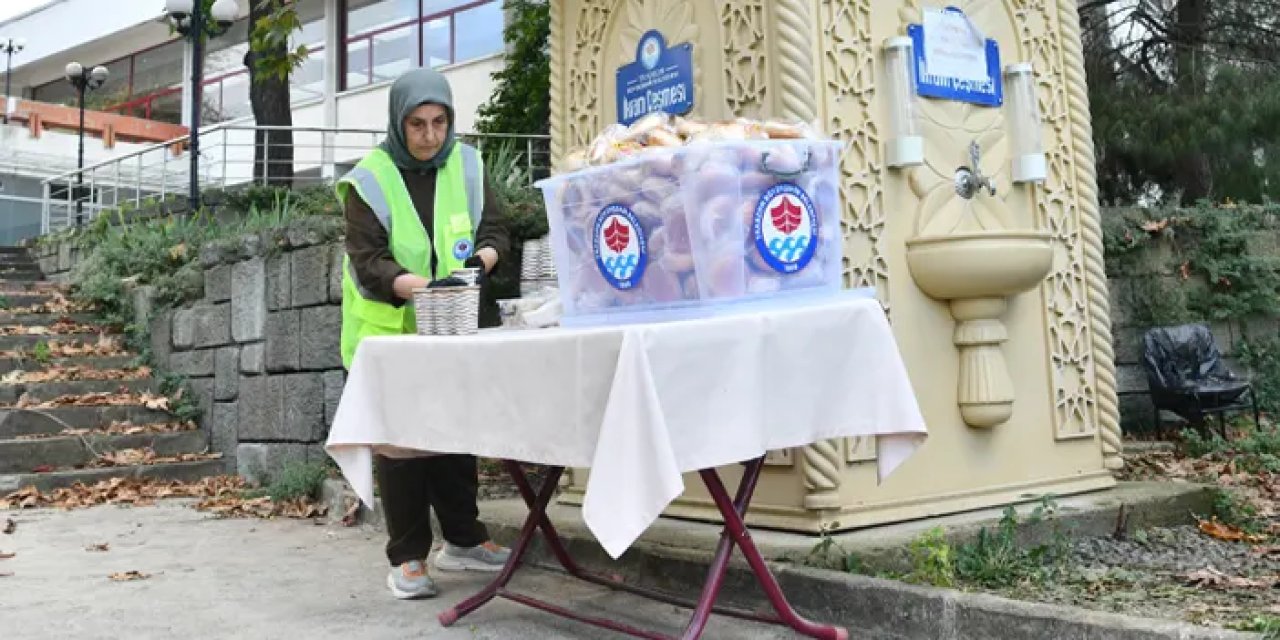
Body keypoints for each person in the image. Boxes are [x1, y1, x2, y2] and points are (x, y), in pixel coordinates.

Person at [336, 67, 512, 600]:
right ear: (398, 122)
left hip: (451, 326)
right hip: (389, 330)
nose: (430, 135)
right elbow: (369, 262)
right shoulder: (369, 179)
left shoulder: (469, 165)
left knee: (456, 432)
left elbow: (497, 231)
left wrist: (477, 267)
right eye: (417, 124)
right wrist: (425, 289)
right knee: (403, 447)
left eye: (439, 122)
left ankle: (463, 538)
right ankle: (407, 557)